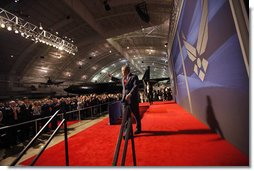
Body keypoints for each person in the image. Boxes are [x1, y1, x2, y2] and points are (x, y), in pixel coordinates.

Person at [121, 65, 141, 134]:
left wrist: (130, 94)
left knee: (136, 114)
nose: (121, 72)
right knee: (125, 116)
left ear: (126, 70)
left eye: (122, 70)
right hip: (124, 100)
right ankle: (127, 132)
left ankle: (138, 128)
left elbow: (136, 86)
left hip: (133, 99)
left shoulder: (134, 76)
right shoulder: (123, 78)